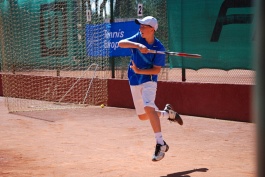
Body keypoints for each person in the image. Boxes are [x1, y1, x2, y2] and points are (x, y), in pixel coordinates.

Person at [118, 16, 183, 162]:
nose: (140, 28)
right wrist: (137, 46)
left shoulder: (159, 49)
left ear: (152, 29)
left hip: (149, 81)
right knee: (143, 116)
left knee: (148, 107)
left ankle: (160, 144)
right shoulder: (138, 37)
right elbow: (121, 43)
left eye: (143, 26)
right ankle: (168, 114)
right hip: (134, 80)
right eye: (140, 26)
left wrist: (140, 71)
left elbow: (156, 70)